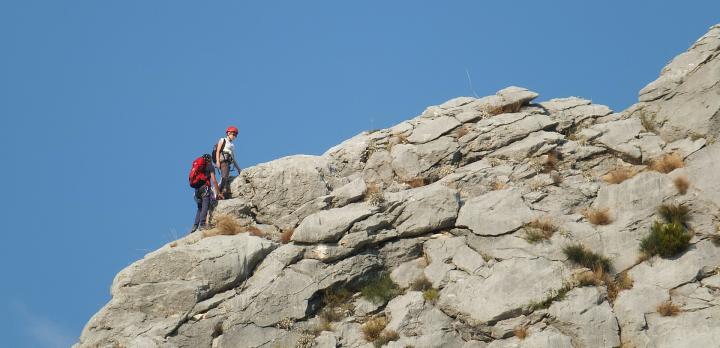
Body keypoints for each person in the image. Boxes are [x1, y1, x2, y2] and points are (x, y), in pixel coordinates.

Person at [191, 154, 223, 232]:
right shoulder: (210, 166)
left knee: (200, 208)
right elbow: (214, 181)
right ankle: (202, 224)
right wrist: (219, 193)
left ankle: (195, 226)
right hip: (205, 188)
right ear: (210, 160)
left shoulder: (199, 167)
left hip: (197, 190)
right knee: (205, 205)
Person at [214, 126, 242, 197]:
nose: (234, 136)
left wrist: (238, 169)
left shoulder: (232, 145)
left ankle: (223, 193)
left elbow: (233, 158)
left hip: (228, 162)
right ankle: (218, 192)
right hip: (223, 161)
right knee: (224, 177)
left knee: (226, 177)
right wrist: (217, 161)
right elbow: (218, 151)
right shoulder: (223, 140)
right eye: (233, 134)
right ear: (228, 133)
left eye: (235, 135)